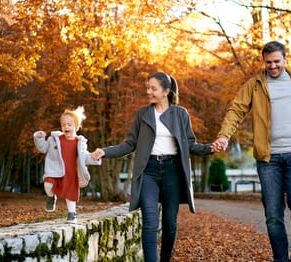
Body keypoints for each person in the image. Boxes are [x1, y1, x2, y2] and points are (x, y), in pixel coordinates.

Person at [90, 72, 219, 262]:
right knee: (150, 221)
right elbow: (129, 144)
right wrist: (105, 151)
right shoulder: (143, 113)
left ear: (166, 91)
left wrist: (210, 148)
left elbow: (190, 144)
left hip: (173, 172)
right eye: (147, 87)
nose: (148, 91)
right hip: (148, 171)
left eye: (153, 88)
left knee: (169, 224)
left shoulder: (180, 113)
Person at [213, 41, 291, 262]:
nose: (273, 66)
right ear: (264, 62)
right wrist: (224, 135)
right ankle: (280, 258)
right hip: (268, 158)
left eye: (277, 62)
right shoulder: (254, 85)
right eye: (268, 62)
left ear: (285, 59)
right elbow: (236, 110)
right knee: (273, 214)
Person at [34, 106, 101, 223]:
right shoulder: (54, 139)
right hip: (55, 171)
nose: (66, 127)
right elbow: (43, 148)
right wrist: (39, 139)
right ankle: (50, 197)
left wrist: (95, 157)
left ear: (76, 126)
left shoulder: (80, 143)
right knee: (48, 185)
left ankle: (72, 213)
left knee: (70, 195)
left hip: (71, 173)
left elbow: (84, 157)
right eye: (63, 124)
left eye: (69, 124)